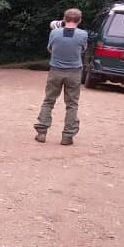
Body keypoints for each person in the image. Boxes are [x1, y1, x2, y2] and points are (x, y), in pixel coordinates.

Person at [34, 8, 88, 145]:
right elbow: (83, 49)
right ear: (79, 20)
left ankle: (42, 131)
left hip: (56, 70)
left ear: (64, 19)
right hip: (74, 72)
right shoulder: (83, 34)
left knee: (49, 101)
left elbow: (50, 48)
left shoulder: (54, 32)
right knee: (72, 104)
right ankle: (67, 136)